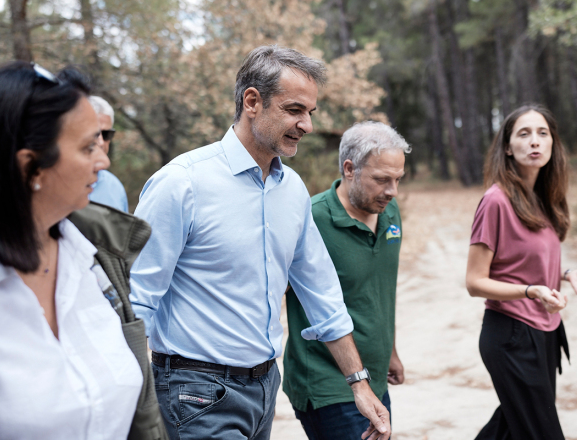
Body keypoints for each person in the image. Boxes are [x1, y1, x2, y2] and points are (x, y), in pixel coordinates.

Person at [129, 45, 391, 440]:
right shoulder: (182, 182)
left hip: (265, 387)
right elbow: (137, 297)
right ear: (252, 102)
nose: (307, 125)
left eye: (310, 112)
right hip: (194, 391)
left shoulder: (293, 190)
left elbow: (321, 292)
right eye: (294, 110)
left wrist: (358, 382)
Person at [0, 62, 167, 440]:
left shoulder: (99, 262)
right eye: (88, 147)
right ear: (31, 166)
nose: (104, 161)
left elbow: (142, 415)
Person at [465, 104, 577, 440]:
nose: (535, 141)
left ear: (553, 143)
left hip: (546, 332)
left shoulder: (543, 198)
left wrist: (566, 274)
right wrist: (531, 291)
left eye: (543, 133)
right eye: (524, 134)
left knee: (513, 427)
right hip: (511, 334)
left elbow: (521, 263)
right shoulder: (496, 201)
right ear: (507, 147)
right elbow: (474, 282)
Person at [284, 121, 411, 439]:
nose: (392, 191)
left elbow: (380, 290)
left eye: (397, 179)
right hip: (327, 383)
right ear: (350, 169)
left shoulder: (389, 211)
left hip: (375, 377)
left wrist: (390, 351)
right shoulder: (311, 219)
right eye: (382, 179)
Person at [88, 96, 129, 212]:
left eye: (106, 134)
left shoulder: (114, 186)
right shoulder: (57, 182)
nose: (101, 142)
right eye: (95, 134)